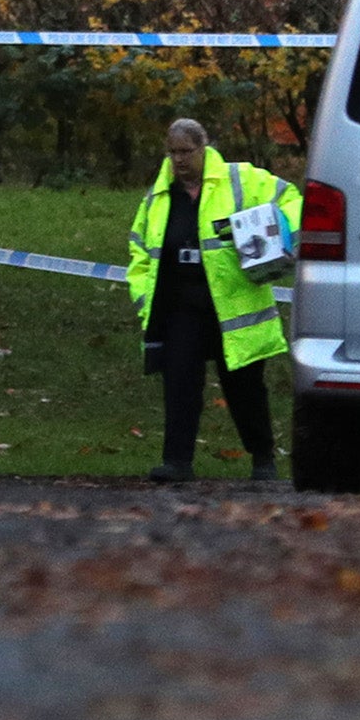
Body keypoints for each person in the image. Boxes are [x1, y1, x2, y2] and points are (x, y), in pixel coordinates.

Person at [125, 118, 301, 483]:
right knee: (179, 384)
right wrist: (144, 300)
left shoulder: (241, 180)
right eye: (172, 152)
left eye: (186, 151)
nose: (178, 160)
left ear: (205, 148)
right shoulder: (159, 195)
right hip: (180, 308)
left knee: (245, 388)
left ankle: (263, 460)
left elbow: (293, 200)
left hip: (232, 307)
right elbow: (140, 251)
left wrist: (280, 238)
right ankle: (177, 462)